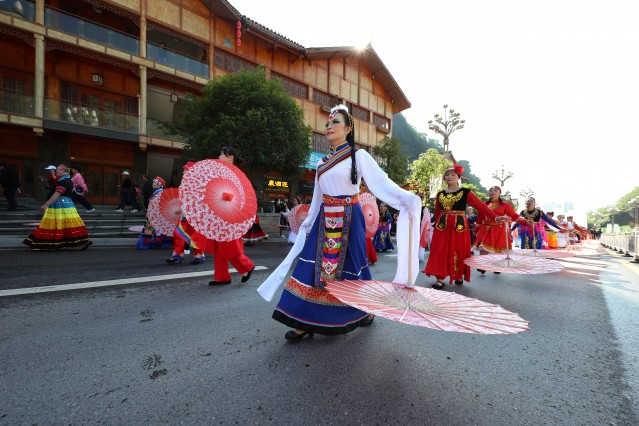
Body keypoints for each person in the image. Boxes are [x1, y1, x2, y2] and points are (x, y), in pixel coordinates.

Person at [259, 104, 420, 342]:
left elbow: (382, 183)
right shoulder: (322, 163)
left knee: (353, 267)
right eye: (327, 123)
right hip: (325, 218)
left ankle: (363, 308)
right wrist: (308, 221)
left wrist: (405, 199)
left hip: (350, 217)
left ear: (348, 127)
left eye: (335, 122)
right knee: (310, 266)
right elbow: (317, 197)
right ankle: (303, 320)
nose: (329, 126)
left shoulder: (359, 156)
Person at [424, 165, 509, 289]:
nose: (449, 177)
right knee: (440, 250)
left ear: (458, 177)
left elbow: (480, 206)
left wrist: (495, 217)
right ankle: (440, 278)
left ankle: (458, 275)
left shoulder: (466, 192)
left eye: (453, 174)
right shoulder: (440, 194)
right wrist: (432, 225)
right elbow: (437, 211)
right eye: (447, 175)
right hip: (442, 226)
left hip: (459, 225)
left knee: (459, 250)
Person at [208, 147, 255, 286]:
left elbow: (239, 195)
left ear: (230, 158)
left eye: (222, 154)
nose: (219, 156)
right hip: (218, 214)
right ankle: (222, 277)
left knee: (229, 246)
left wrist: (225, 196)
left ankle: (246, 266)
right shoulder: (218, 171)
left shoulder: (235, 174)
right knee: (218, 247)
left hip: (230, 215)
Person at [23, 164, 91, 250]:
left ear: (66, 171)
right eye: (57, 169)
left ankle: (53, 243)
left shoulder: (63, 181)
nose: (57, 171)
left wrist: (46, 205)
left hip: (60, 205)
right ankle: (80, 241)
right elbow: (52, 188)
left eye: (60, 170)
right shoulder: (65, 180)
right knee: (68, 223)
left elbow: (57, 193)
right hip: (66, 204)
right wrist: (44, 181)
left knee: (56, 223)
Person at [473, 186, 528, 274]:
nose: (492, 192)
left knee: (498, 249)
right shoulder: (483, 205)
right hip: (485, 228)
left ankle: (497, 267)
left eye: (495, 190)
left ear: (499, 193)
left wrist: (525, 222)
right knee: (482, 247)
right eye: (490, 190)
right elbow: (479, 219)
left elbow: (514, 216)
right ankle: (482, 265)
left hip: (499, 229)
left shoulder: (505, 205)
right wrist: (475, 230)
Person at [137, 176, 173, 250]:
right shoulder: (159, 192)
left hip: (154, 215)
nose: (152, 184)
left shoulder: (158, 193)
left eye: (154, 182)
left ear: (159, 184)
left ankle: (146, 245)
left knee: (149, 231)